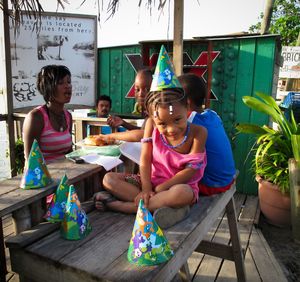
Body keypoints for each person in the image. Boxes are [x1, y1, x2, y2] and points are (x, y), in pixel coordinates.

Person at [94, 46, 207, 229]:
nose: (171, 129)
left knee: (182, 193)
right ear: (153, 117)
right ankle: (156, 206)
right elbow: (145, 160)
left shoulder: (198, 133)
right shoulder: (150, 125)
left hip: (176, 187)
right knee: (109, 179)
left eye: (177, 119)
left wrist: (163, 188)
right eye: (162, 123)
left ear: (187, 108)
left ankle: (126, 207)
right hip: (150, 184)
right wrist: (146, 189)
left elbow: (191, 171)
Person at [178, 73, 236, 195]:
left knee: (168, 175)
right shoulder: (213, 114)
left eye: (174, 99)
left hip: (211, 184)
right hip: (227, 178)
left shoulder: (190, 121)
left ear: (186, 103)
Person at [23, 65, 73, 164]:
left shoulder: (68, 116)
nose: (67, 86)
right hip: (42, 177)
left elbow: (69, 153)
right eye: (60, 82)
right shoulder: (36, 117)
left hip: (66, 174)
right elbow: (31, 159)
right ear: (48, 88)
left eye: (68, 81)